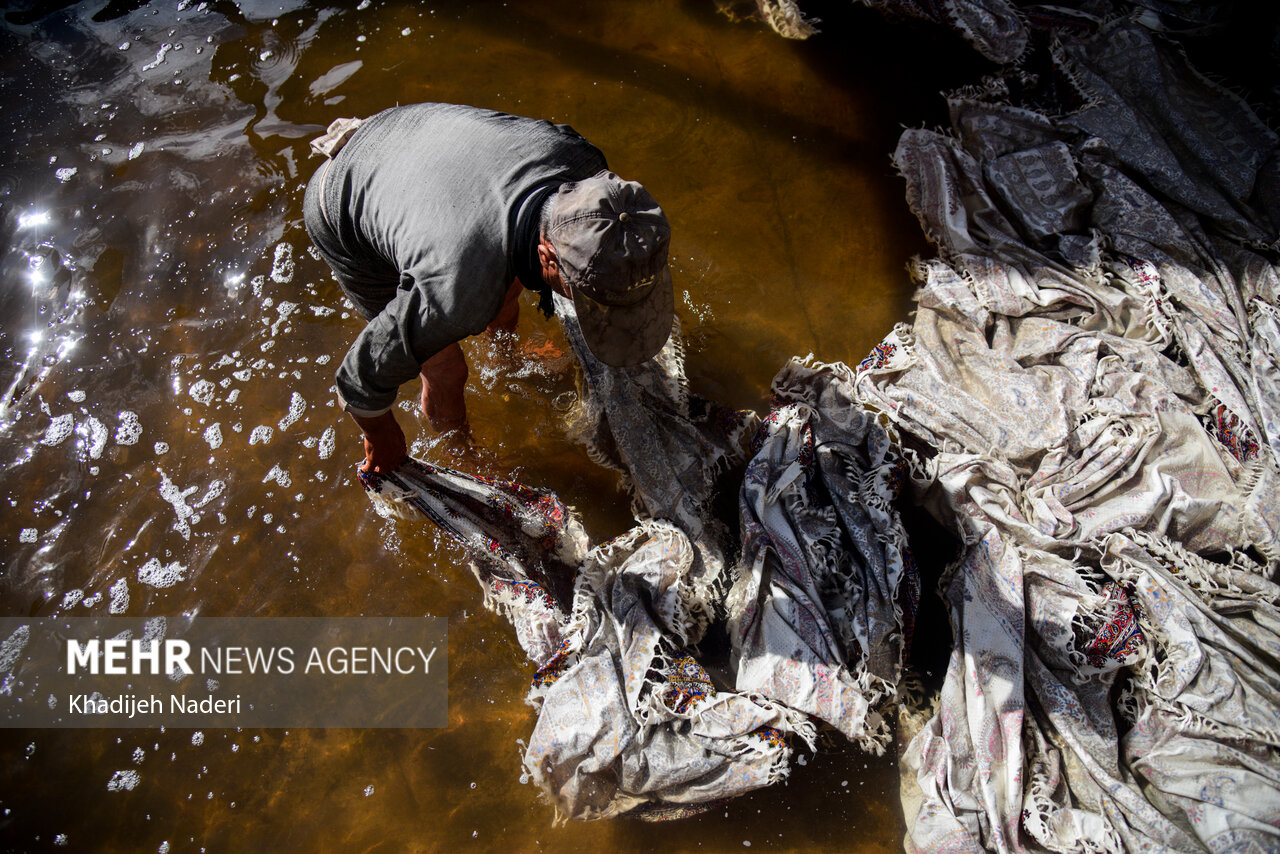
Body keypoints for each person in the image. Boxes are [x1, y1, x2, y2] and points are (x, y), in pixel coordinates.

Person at [302, 103, 675, 474]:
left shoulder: (583, 163)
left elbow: (502, 246)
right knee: (445, 367)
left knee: (501, 285)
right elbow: (358, 379)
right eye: (589, 296)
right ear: (547, 257)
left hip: (412, 141)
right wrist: (382, 439)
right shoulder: (454, 292)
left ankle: (505, 356)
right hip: (342, 199)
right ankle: (460, 450)